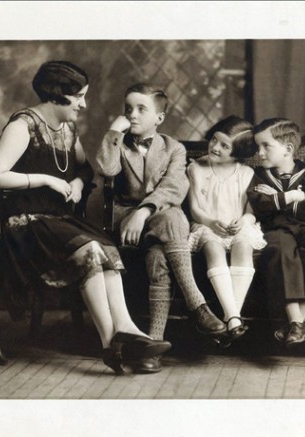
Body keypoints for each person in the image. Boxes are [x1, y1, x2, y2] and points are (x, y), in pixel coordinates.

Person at [0, 61, 171, 375]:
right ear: (58, 95)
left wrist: (79, 182)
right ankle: (112, 343)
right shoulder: (22, 126)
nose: (84, 104)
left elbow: (85, 169)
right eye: (79, 97)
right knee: (90, 250)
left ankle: (126, 331)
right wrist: (42, 179)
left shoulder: (67, 128)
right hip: (23, 223)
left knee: (105, 248)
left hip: (56, 218)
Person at [93, 83, 225, 372]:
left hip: (158, 222)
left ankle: (152, 346)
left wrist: (145, 210)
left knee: (160, 254)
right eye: (128, 109)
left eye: (142, 109)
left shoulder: (172, 148)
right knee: (174, 218)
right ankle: (198, 306)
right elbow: (105, 169)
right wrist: (115, 132)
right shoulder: (119, 143)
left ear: (160, 119)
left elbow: (174, 187)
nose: (133, 115)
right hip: (126, 223)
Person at [246, 118, 305, 347]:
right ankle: (297, 323)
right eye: (258, 147)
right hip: (275, 228)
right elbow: (260, 203)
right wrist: (293, 197)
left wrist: (276, 199)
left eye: (265, 146)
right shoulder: (258, 175)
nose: (259, 153)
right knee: (279, 251)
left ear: (288, 149)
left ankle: (296, 322)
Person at [186, 115, 266, 347]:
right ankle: (234, 319)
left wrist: (243, 221)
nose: (215, 147)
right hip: (207, 225)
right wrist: (210, 222)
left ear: (238, 152)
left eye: (224, 145)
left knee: (243, 245)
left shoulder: (246, 173)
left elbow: (251, 212)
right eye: (214, 140)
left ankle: (231, 316)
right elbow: (194, 209)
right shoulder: (196, 168)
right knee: (213, 247)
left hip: (237, 226)